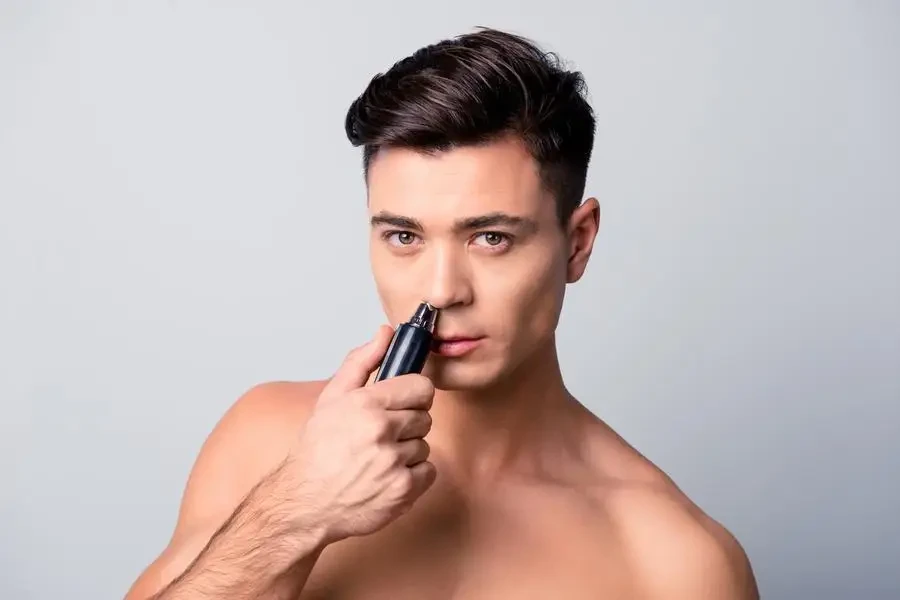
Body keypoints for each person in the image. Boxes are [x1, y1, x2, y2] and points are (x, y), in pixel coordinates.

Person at [125, 27, 760, 600]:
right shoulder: (269, 440)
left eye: (491, 239)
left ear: (577, 241)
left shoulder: (675, 564)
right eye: (404, 237)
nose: (440, 289)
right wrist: (297, 511)